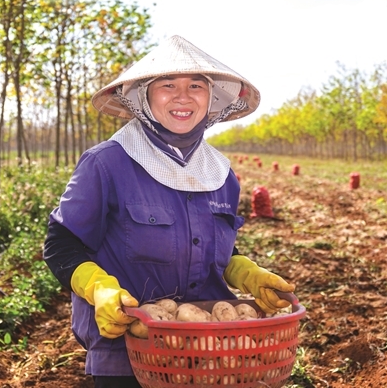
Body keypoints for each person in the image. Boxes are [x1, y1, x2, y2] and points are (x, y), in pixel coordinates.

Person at [43, 35, 296, 388]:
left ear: (211, 99)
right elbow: (61, 245)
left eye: (196, 85)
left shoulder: (222, 175)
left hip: (208, 347)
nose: (183, 96)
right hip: (129, 348)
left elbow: (215, 247)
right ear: (144, 96)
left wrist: (245, 271)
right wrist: (98, 287)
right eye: (167, 85)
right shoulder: (107, 163)